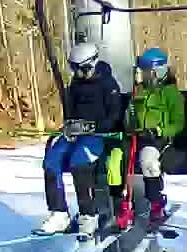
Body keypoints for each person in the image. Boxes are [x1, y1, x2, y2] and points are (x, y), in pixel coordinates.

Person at [37, 41, 126, 236]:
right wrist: (69, 125)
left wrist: (93, 126)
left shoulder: (108, 85)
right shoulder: (76, 85)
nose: (77, 74)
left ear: (90, 65)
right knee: (51, 160)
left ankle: (89, 214)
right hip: (76, 133)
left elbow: (114, 116)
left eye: (80, 70)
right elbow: (71, 111)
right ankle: (59, 212)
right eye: (74, 69)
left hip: (96, 135)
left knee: (79, 161)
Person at [110, 47, 185, 228]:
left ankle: (156, 203)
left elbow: (178, 123)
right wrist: (130, 118)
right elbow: (128, 117)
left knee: (148, 161)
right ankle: (122, 205)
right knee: (116, 160)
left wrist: (159, 130)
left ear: (158, 71)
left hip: (156, 139)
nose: (144, 75)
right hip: (135, 136)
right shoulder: (139, 91)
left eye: (147, 72)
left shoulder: (171, 93)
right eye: (142, 71)